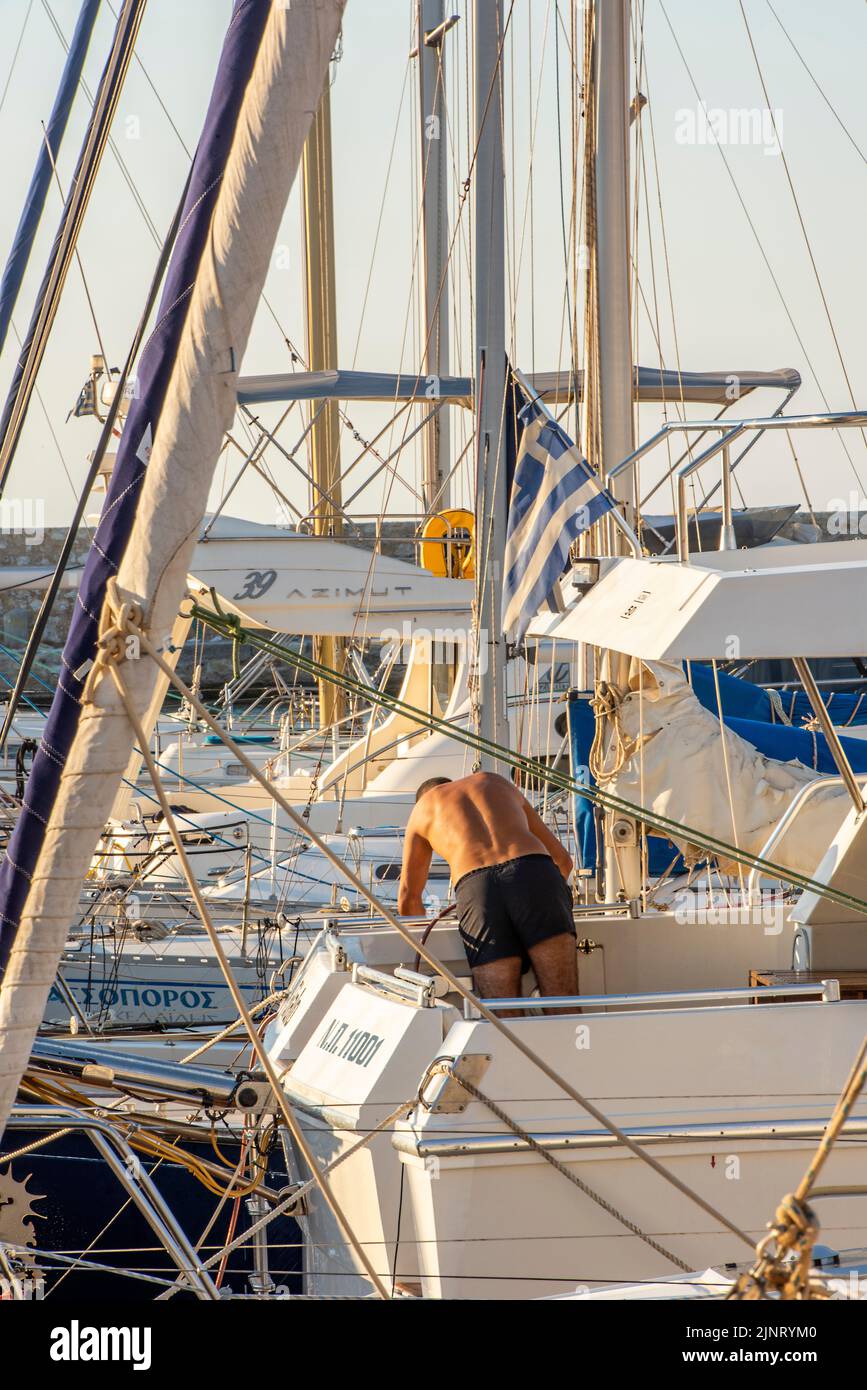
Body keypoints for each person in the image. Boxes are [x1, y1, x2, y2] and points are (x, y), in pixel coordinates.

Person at [397, 771, 577, 1005]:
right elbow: (563, 861)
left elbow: (408, 898)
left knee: (502, 1014)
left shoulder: (423, 808)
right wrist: (543, 906)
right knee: (563, 1003)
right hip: (536, 872)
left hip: (478, 887)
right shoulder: (493, 781)